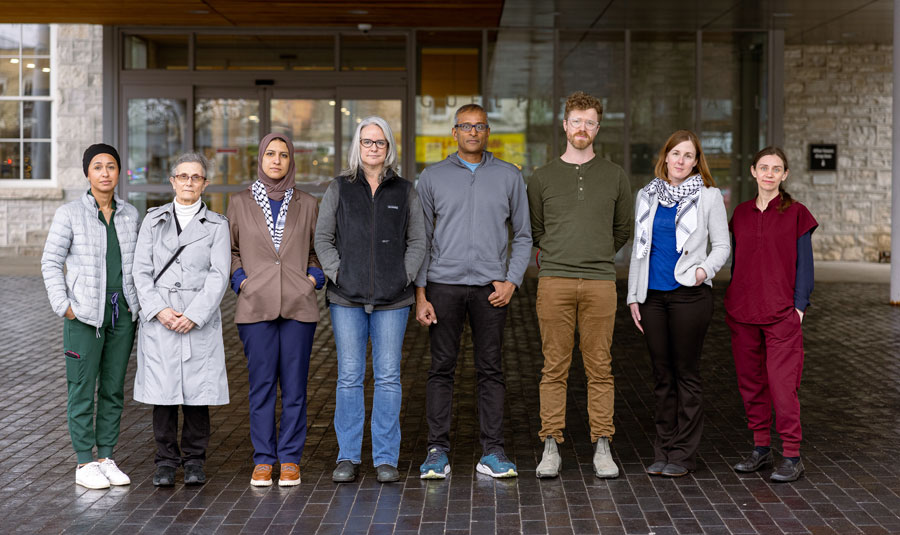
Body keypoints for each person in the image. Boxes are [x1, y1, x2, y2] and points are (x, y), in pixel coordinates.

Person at [415, 103, 532, 479]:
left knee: (491, 369)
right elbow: (420, 239)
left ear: (488, 132)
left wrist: (512, 281)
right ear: (454, 132)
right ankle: (437, 451)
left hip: (490, 290)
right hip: (443, 286)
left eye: (479, 126)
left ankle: (493, 451)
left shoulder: (509, 176)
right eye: (465, 126)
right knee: (441, 369)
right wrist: (421, 293)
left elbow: (524, 234)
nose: (473, 132)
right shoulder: (432, 177)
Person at [527, 91, 632, 479]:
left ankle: (602, 444)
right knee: (554, 367)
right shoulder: (542, 177)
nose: (582, 128)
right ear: (565, 125)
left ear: (597, 128)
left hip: (600, 282)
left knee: (600, 368)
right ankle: (550, 445)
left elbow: (622, 228)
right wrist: (563, 252)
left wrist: (596, 252)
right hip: (554, 281)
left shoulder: (615, 175)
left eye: (590, 122)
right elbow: (537, 230)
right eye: (576, 121)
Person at [315, 116, 426, 484]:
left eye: (380, 142)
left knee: (388, 378)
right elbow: (323, 238)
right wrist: (339, 274)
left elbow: (418, 241)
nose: (374, 148)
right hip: (346, 298)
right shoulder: (339, 188)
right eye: (367, 142)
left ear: (389, 146)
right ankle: (347, 456)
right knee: (349, 377)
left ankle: (385, 458)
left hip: (393, 300)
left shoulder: (405, 190)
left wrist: (403, 277)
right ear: (358, 146)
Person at [626, 130, 730, 477]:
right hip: (652, 297)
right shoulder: (647, 195)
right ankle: (664, 450)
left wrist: (703, 271)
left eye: (688, 155)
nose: (681, 161)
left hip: (690, 295)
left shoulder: (709, 196)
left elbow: (722, 246)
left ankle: (683, 455)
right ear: (666, 157)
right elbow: (639, 249)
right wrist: (633, 296)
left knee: (685, 373)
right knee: (662, 376)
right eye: (675, 154)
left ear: (697, 161)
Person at [227, 133, 325, 487]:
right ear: (260, 158)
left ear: (291, 160)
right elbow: (230, 250)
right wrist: (241, 282)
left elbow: (318, 249)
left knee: (295, 388)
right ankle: (264, 460)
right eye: (270, 154)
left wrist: (312, 279)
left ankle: (291, 460)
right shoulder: (239, 202)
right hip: (255, 306)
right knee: (262, 387)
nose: (277, 160)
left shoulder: (308, 203)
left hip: (299, 305)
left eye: (283, 155)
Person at [41, 144, 139, 489]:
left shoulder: (130, 214)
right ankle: (84, 461)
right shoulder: (70, 214)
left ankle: (105, 457)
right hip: (83, 317)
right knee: (82, 388)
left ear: (119, 172)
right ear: (87, 173)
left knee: (113, 389)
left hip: (121, 315)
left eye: (111, 166)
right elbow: (50, 261)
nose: (105, 173)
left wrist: (137, 306)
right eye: (97, 166)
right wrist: (64, 305)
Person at [132, 152, 230, 487]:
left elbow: (219, 274)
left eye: (196, 177)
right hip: (161, 318)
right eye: (183, 176)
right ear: (173, 181)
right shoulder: (153, 221)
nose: (189, 182)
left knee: (197, 396)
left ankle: (194, 460)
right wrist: (158, 309)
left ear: (205, 183)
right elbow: (140, 271)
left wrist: (194, 315)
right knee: (163, 395)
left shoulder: (217, 225)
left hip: (197, 318)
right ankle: (165, 461)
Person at [725, 146, 817, 483]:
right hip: (743, 312)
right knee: (751, 385)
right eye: (763, 167)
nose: (769, 174)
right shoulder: (740, 213)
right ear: (753, 171)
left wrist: (799, 307)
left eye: (776, 169)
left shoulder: (797, 213)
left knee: (782, 386)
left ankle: (791, 455)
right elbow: (738, 261)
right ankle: (761, 449)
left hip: (782, 315)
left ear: (784, 174)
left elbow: (805, 265)